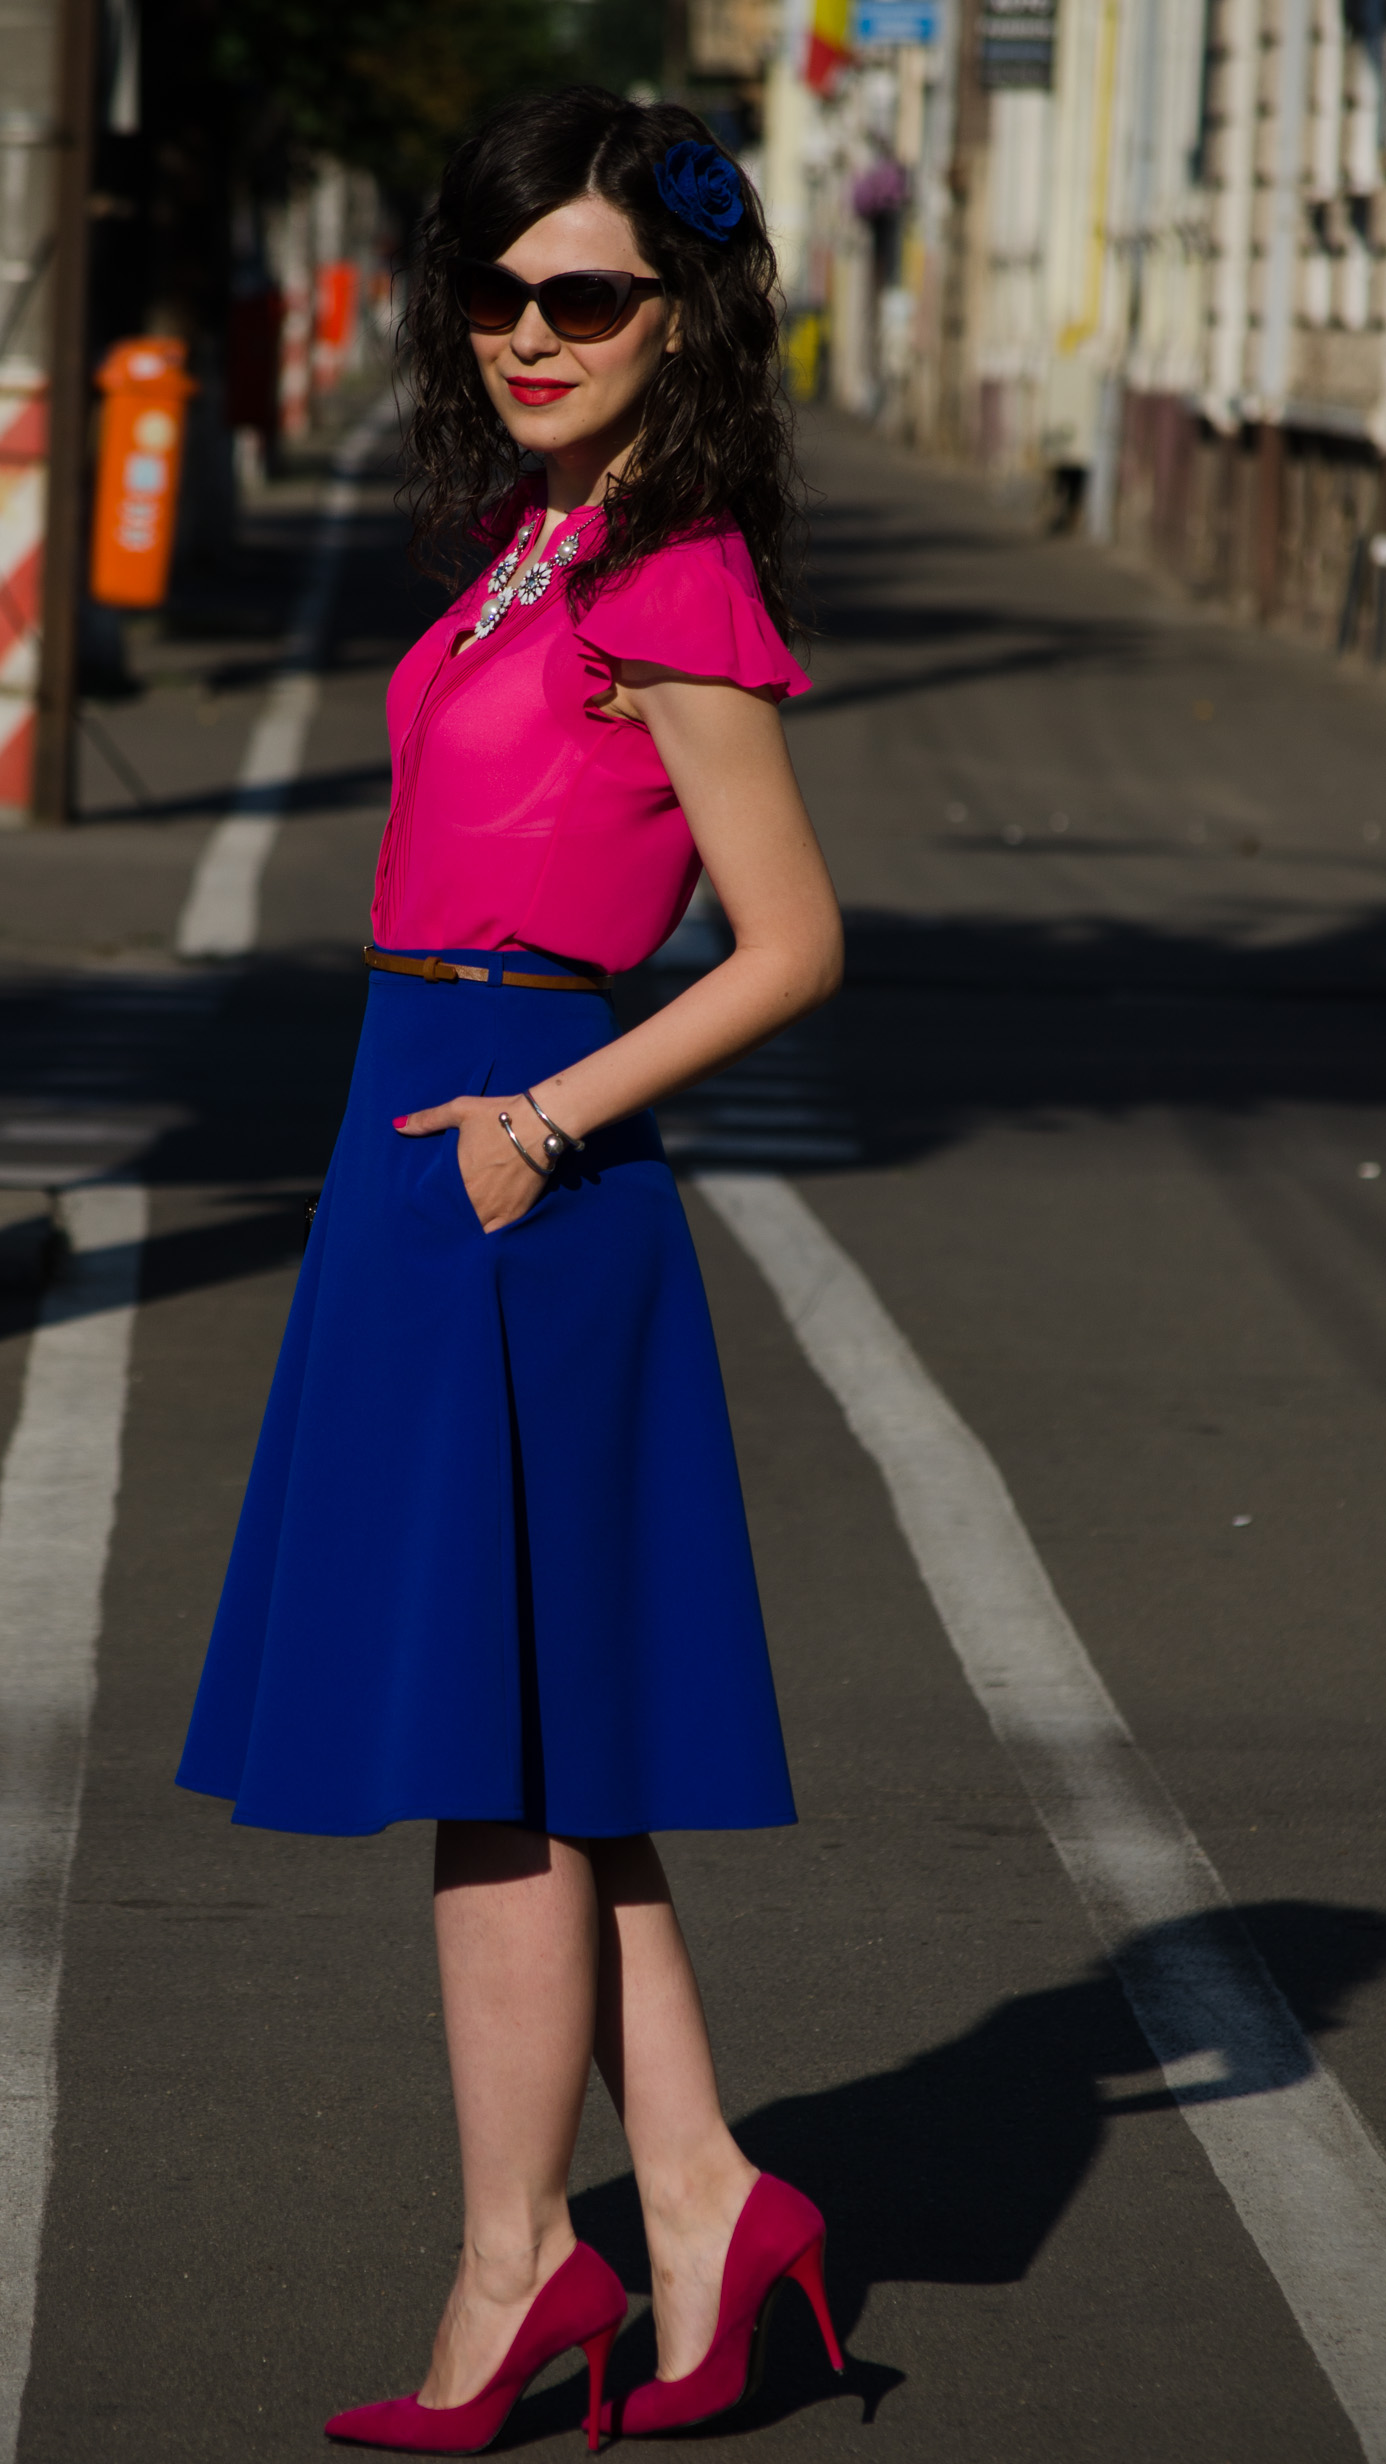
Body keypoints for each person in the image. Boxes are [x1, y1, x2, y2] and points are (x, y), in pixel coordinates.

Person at [176, 84, 845, 2454]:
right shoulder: (533, 545)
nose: (527, 331)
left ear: (685, 314)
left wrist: (552, 1116)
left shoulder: (669, 578)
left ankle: (507, 2262)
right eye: (497, 291)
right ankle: (697, 2197)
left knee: (492, 1762)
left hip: (516, 1161)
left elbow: (793, 942)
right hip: (423, 1133)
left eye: (584, 294)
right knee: (547, 1735)